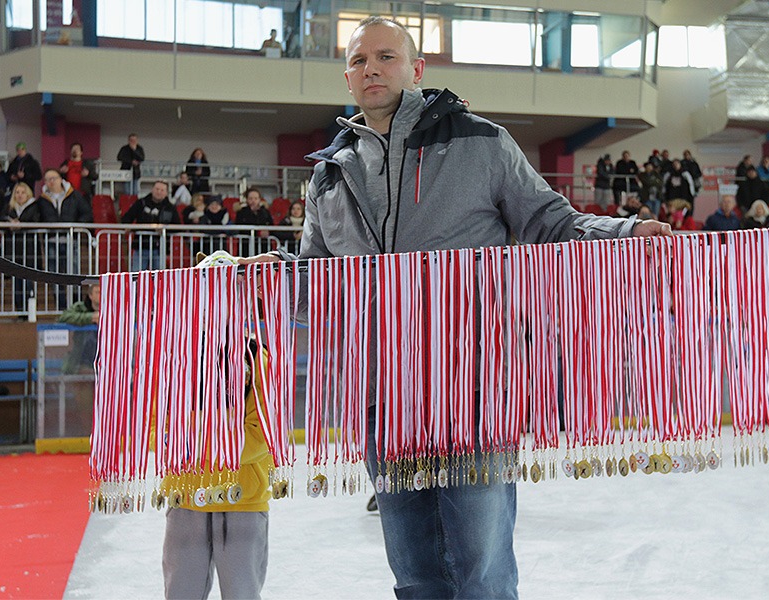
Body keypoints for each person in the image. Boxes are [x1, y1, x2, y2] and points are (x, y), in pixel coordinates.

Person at [238, 16, 671, 600]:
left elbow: (551, 222)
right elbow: (317, 281)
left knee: (481, 566)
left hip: (474, 385)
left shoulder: (481, 141)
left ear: (416, 69)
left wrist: (622, 232)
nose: (372, 69)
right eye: (360, 61)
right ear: (347, 78)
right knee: (414, 570)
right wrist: (268, 277)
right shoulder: (327, 178)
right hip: (382, 392)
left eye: (386, 57)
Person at [158, 301, 274, 600]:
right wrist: (214, 441)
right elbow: (159, 429)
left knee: (242, 594)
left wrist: (197, 443)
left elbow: (260, 436)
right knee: (180, 593)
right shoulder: (176, 360)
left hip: (242, 498)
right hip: (185, 497)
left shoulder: (256, 359)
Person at [38, 168, 93, 310]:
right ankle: (61, 307)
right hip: (51, 241)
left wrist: (77, 225)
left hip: (70, 240)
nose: (51, 182)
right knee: (53, 275)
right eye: (47, 179)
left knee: (73, 273)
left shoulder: (74, 195)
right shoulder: (43, 199)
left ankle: (75, 305)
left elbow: (86, 212)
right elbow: (37, 216)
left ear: (60, 179)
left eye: (53, 178)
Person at [121, 180, 181, 271]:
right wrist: (130, 227)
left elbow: (177, 226)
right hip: (140, 246)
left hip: (160, 248)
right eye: (157, 189)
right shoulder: (141, 203)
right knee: (136, 277)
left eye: (162, 190)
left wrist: (164, 230)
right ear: (152, 190)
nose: (159, 192)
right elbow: (126, 218)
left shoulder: (170, 207)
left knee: (159, 278)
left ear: (166, 193)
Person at [1, 182, 41, 312]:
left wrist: (20, 225)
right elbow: (1, 218)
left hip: (29, 249)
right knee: (16, 281)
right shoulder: (9, 208)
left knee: (28, 280)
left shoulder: (34, 206)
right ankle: (19, 310)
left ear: (28, 194)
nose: (19, 195)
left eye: (22, 192)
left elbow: (36, 220)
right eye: (17, 192)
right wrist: (9, 223)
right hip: (13, 250)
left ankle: (30, 310)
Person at [235, 187, 273, 256]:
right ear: (247, 199)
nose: (253, 201)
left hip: (263, 246)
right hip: (246, 246)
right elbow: (240, 228)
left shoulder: (265, 212)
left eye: (256, 198)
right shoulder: (241, 212)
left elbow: (271, 225)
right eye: (250, 198)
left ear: (259, 199)